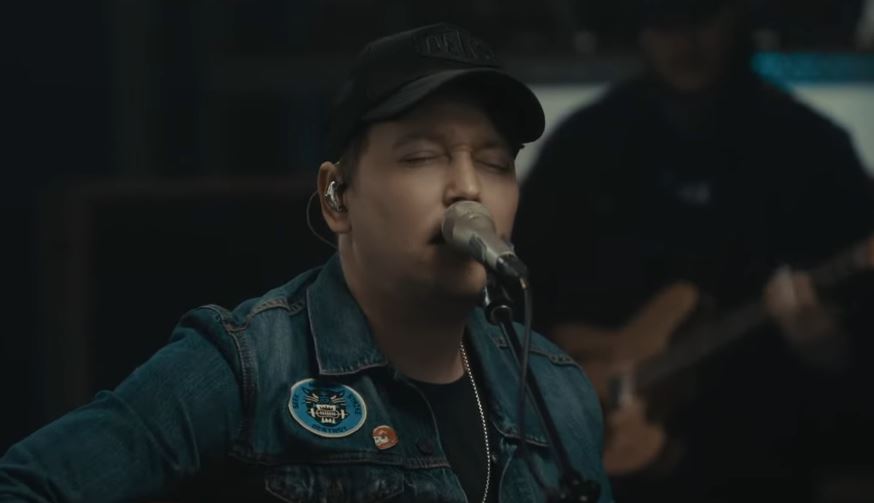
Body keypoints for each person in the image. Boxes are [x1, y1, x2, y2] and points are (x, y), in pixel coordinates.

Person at [0, 23, 612, 502]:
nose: (468, 188)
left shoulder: (556, 391)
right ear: (337, 197)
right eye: (421, 157)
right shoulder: (247, 365)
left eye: (495, 162)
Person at [514, 0, 874, 501]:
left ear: (736, 14)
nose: (684, 39)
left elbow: (856, 375)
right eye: (665, 17)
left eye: (701, 15)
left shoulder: (814, 149)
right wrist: (575, 373)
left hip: (759, 464)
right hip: (601, 466)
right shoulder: (584, 145)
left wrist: (828, 350)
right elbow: (519, 296)